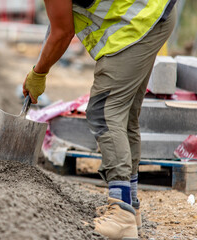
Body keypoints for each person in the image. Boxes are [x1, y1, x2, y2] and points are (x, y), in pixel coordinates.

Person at [23, 0, 177, 238]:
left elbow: (63, 32)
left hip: (136, 25)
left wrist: (38, 73)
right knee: (123, 116)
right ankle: (129, 206)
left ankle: (121, 213)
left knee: (103, 112)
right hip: (154, 13)